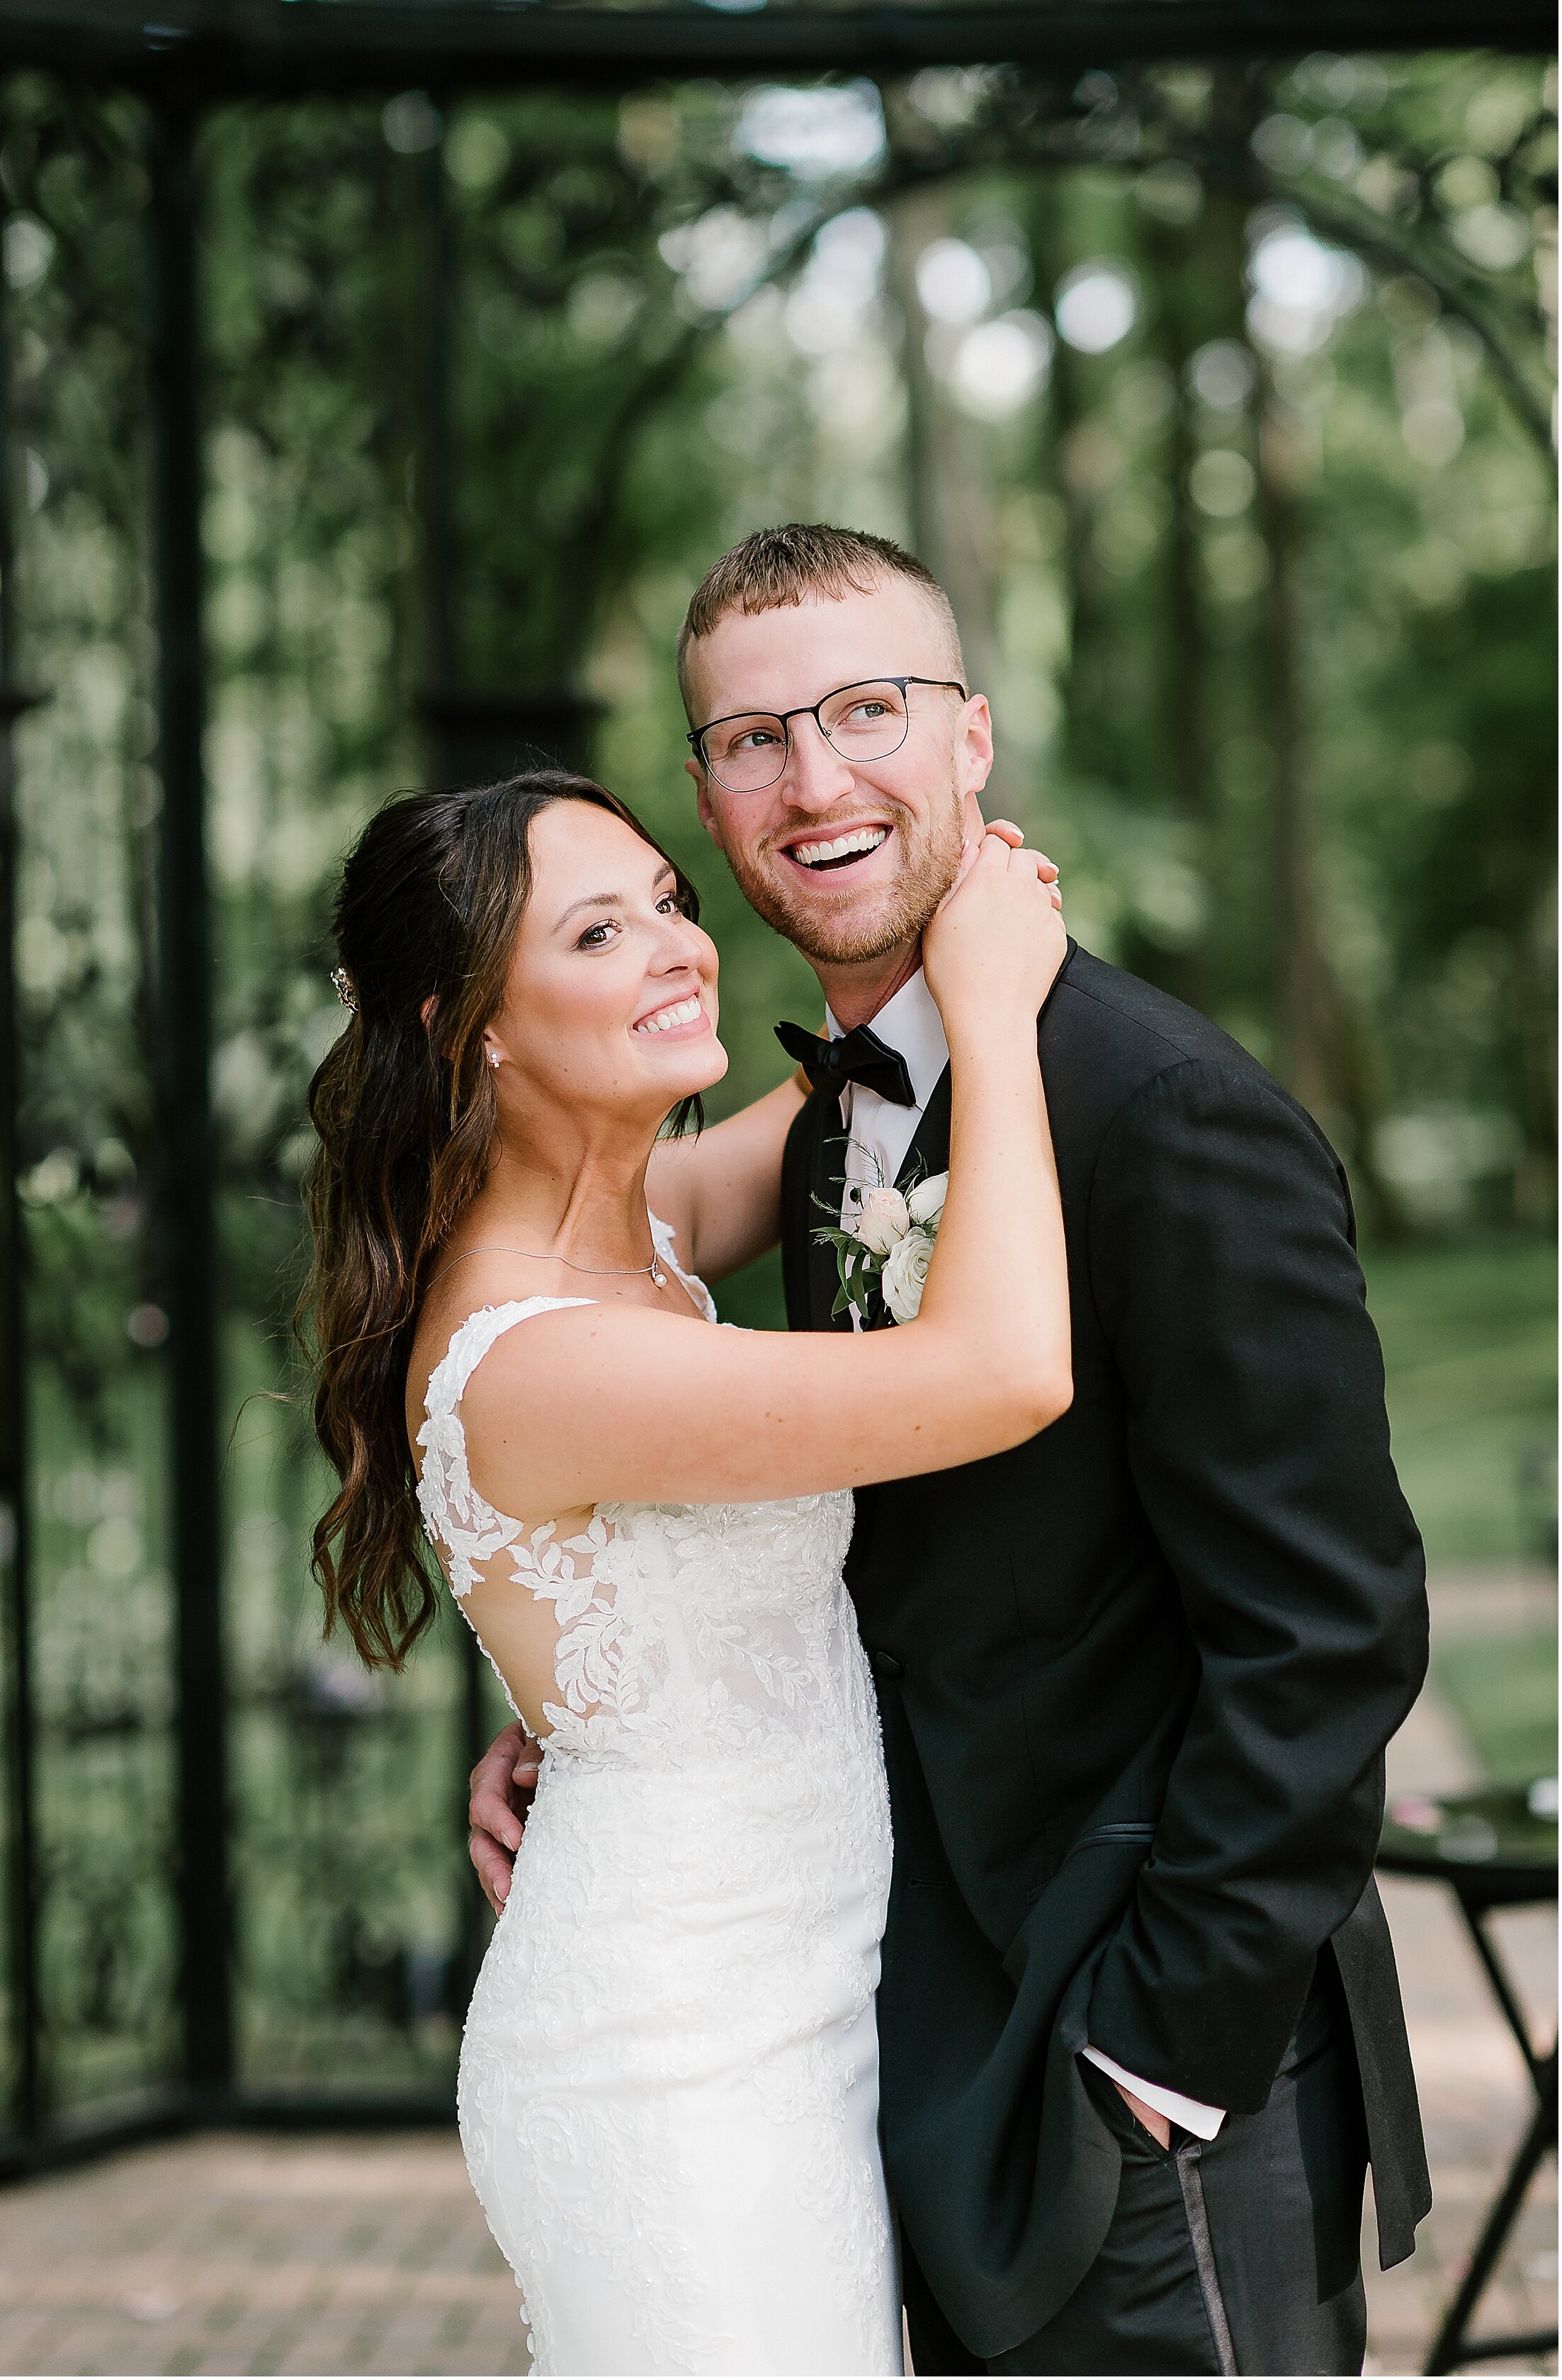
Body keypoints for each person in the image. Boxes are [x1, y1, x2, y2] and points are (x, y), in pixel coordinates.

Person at [471, 525, 1434, 2377]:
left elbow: (1329, 1630)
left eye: (865, 710)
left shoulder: (1161, 1118)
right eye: (751, 737)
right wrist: (600, 1696)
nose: (812, 777)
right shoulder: (834, 1119)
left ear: (971, 741)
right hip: (924, 2047)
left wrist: (1157, 2054)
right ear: (704, 793)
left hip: (1140, 2068)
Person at [302, 767, 1071, 2376]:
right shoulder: (538, 1355)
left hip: (792, 2009)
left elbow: (836, 1084)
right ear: (476, 1030)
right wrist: (995, 1019)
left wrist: (921, 894)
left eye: (671, 902)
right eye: (600, 930)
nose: (678, 947)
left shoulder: (631, 1225)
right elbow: (1002, 1369)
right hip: (674, 2065)